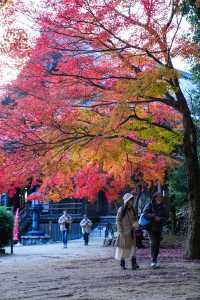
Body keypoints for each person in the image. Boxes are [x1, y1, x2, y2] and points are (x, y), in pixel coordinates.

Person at [143, 192, 169, 269]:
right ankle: (153, 261)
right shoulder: (150, 205)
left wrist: (160, 219)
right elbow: (144, 214)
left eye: (161, 197)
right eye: (159, 196)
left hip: (159, 228)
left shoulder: (163, 206)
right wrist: (153, 216)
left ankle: (155, 260)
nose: (160, 198)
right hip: (150, 228)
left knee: (157, 245)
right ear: (155, 197)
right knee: (153, 243)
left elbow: (166, 217)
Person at [115, 193, 139, 270]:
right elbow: (118, 220)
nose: (132, 202)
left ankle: (133, 263)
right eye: (130, 200)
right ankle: (122, 263)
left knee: (133, 248)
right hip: (124, 232)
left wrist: (136, 225)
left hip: (132, 232)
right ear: (127, 201)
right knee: (123, 248)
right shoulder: (121, 209)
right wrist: (120, 231)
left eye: (132, 200)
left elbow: (134, 220)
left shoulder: (132, 209)